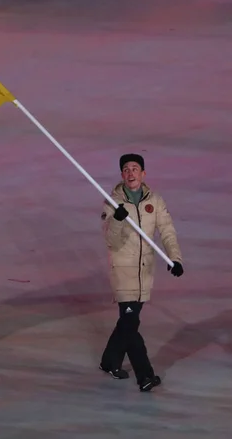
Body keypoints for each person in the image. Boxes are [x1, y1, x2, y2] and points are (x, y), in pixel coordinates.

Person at [99, 153, 184, 392]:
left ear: (143, 173)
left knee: (128, 322)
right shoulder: (112, 202)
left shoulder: (154, 201)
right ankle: (145, 375)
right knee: (130, 325)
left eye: (135, 168)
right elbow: (111, 242)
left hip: (145, 272)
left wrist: (174, 258)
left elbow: (167, 231)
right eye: (126, 169)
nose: (130, 173)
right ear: (122, 175)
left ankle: (109, 361)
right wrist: (117, 220)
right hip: (124, 272)